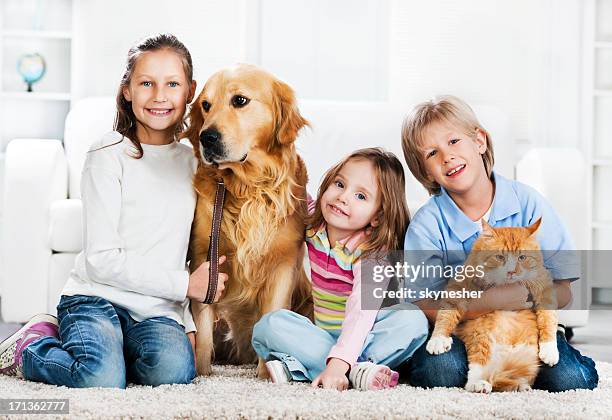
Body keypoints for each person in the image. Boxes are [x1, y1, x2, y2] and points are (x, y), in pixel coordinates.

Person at [0, 33, 227, 388]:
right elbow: (102, 261)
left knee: (173, 372)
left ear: (190, 91)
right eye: (146, 83)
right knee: (99, 377)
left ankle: (113, 350)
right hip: (96, 298)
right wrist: (187, 285)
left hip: (156, 309)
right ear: (127, 90)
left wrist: (188, 322)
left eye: (172, 84)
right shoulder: (107, 154)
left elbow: (183, 248)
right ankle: (32, 345)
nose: (159, 96)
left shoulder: (194, 162)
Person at [399, 95, 598, 391]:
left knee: (570, 379)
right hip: (464, 328)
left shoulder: (527, 202)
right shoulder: (428, 223)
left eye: (454, 141)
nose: (447, 156)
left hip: (524, 327)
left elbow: (565, 288)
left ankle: (534, 356)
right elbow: (420, 302)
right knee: (440, 374)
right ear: (425, 171)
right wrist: (489, 302)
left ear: (479, 141)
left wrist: (524, 300)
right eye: (432, 153)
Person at [252, 148, 428, 391]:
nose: (343, 197)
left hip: (367, 336)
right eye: (339, 183)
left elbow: (361, 313)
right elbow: (292, 184)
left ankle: (313, 368)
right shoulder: (313, 223)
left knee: (413, 321)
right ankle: (356, 373)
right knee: (269, 324)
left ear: (377, 216)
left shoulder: (373, 253)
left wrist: (340, 361)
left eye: (361, 196)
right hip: (323, 337)